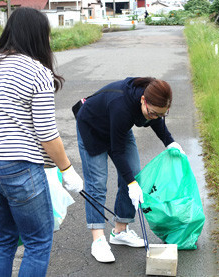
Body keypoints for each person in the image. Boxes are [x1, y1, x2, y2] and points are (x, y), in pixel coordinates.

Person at [0, 7, 83, 277]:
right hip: (17, 167)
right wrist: (67, 170)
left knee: (3, 239)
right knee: (38, 242)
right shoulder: (37, 71)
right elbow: (46, 132)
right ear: (38, 36)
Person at [75, 77, 184, 263]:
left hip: (118, 128)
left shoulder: (151, 101)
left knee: (133, 173)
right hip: (92, 127)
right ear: (143, 100)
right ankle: (98, 239)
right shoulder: (121, 105)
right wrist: (131, 184)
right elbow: (117, 152)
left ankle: (120, 231)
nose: (156, 117)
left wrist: (170, 142)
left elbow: (154, 119)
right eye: (153, 112)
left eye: (162, 114)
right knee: (98, 182)